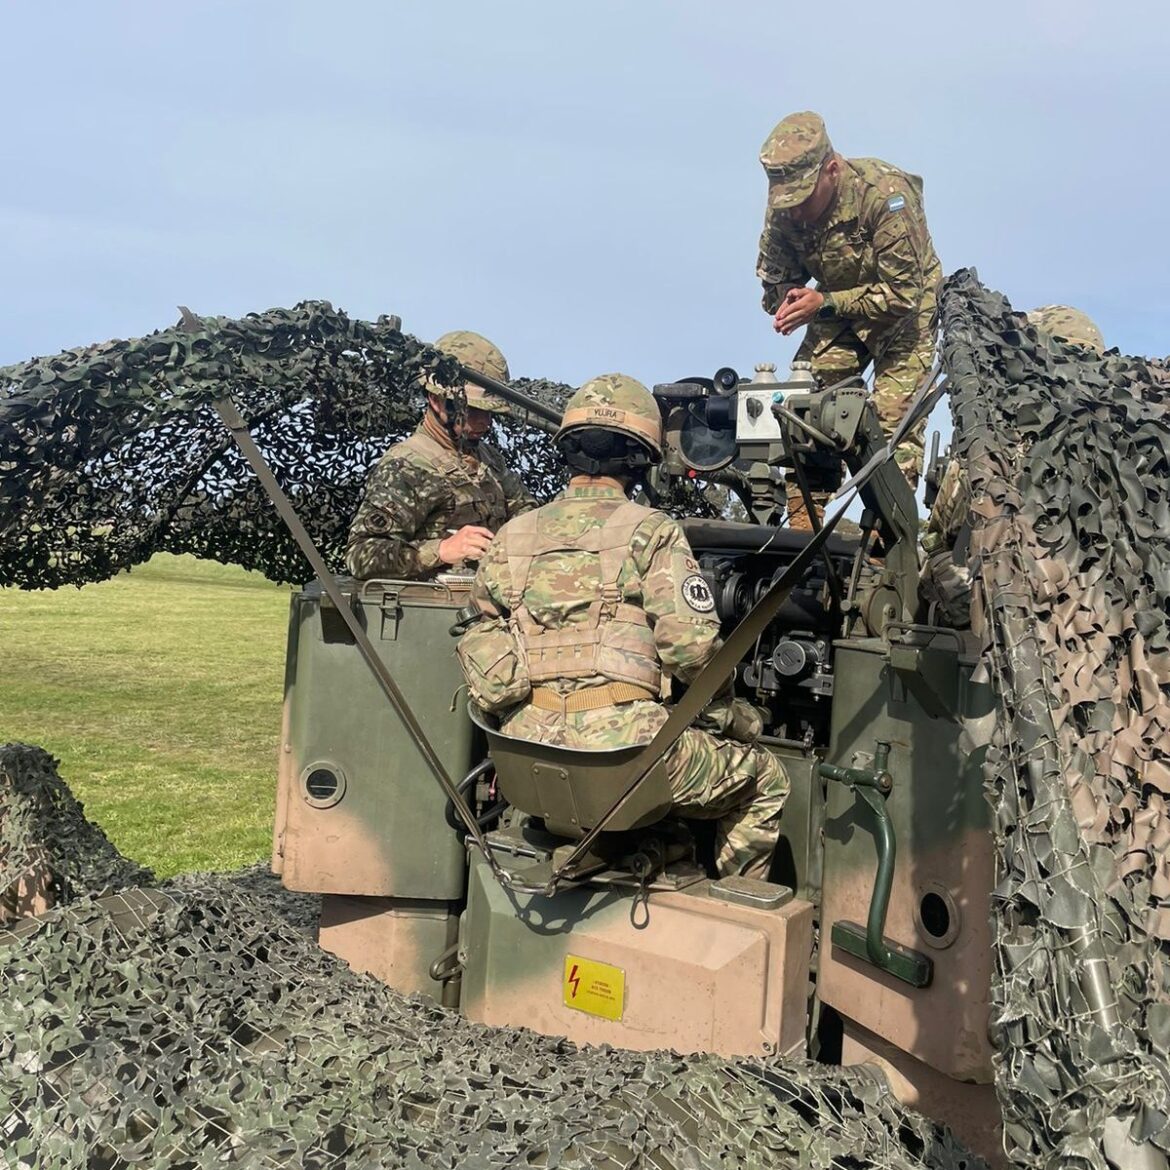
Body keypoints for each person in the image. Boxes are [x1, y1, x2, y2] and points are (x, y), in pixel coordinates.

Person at [460, 373, 788, 878]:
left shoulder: (512, 536)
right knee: (766, 778)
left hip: (526, 755)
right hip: (626, 763)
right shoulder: (651, 532)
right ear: (640, 459)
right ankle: (740, 913)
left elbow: (480, 632)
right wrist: (733, 715)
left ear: (568, 451)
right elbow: (693, 653)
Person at [756, 111, 942, 527]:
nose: (797, 211)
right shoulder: (786, 210)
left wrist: (822, 303)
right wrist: (789, 299)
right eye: (788, 201)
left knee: (892, 428)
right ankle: (805, 529)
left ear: (832, 170)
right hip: (835, 305)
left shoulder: (885, 196)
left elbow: (903, 293)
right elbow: (773, 284)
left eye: (805, 197)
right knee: (808, 408)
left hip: (904, 313)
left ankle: (883, 544)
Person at [346, 330, 536, 580]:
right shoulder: (406, 466)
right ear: (436, 400)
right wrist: (442, 550)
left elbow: (525, 511)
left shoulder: (489, 459)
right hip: (430, 609)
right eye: (474, 410)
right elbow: (362, 555)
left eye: (491, 413)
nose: (485, 422)